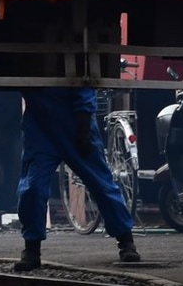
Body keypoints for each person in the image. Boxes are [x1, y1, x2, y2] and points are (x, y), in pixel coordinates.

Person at [13, 88, 141, 273]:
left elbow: (83, 86)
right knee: (33, 188)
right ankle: (31, 249)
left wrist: (83, 127)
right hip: (41, 126)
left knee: (101, 184)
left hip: (74, 122)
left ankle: (126, 241)